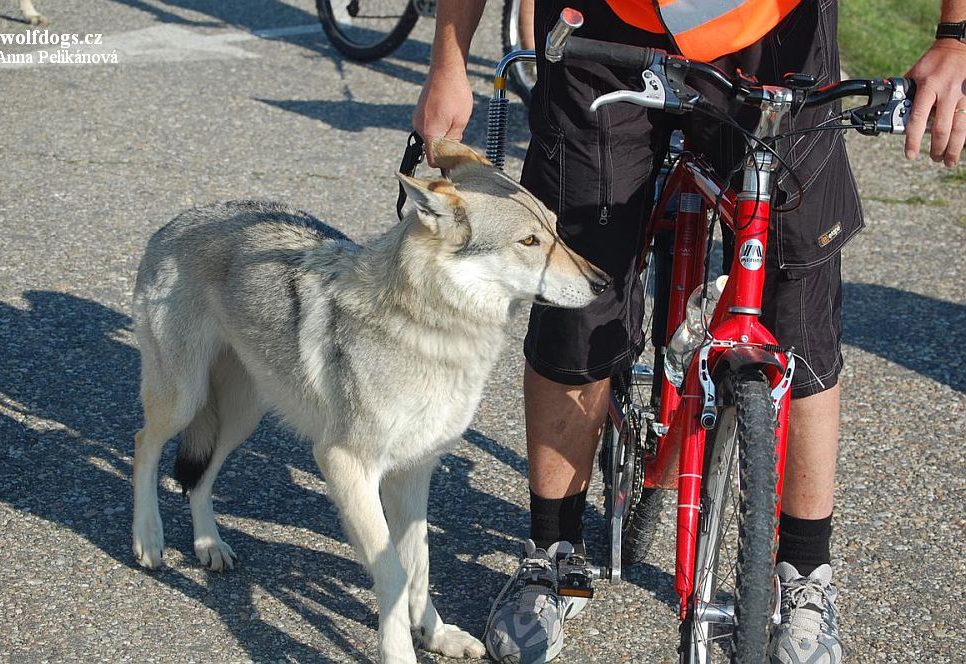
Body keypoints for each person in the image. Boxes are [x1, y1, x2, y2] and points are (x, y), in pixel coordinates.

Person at [414, 1, 966, 662]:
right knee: (576, 289)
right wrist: (450, 58)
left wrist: (956, 37)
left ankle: (806, 579)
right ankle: (554, 556)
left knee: (799, 297)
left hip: (772, 25)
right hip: (608, 21)